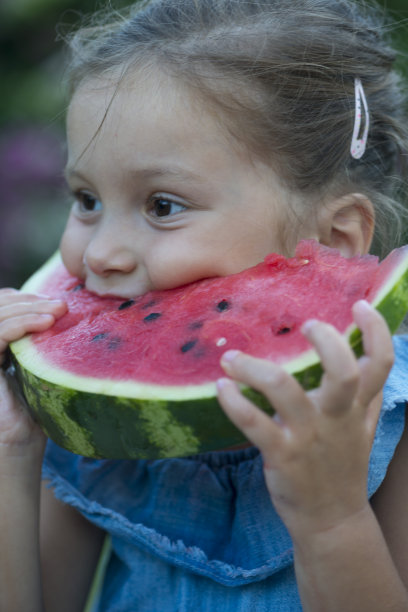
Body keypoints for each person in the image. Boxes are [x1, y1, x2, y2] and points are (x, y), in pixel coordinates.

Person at [1, 0, 408, 609]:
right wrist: (11, 451)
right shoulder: (94, 427)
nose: (102, 253)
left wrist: (331, 516)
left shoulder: (387, 428)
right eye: (85, 198)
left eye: (162, 205)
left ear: (332, 240)